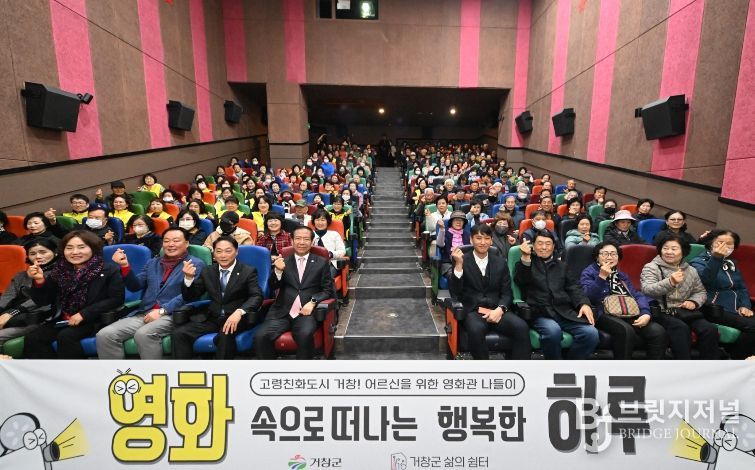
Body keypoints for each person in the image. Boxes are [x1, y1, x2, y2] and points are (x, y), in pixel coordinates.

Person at [96, 227, 206, 359]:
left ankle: (153, 372)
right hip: (145, 312)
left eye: (176, 240)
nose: (171, 244)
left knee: (144, 334)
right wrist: (125, 266)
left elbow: (190, 294)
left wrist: (162, 311)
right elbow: (135, 286)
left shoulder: (196, 264)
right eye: (166, 241)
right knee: (105, 335)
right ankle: (118, 372)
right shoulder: (153, 263)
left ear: (186, 243)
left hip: (173, 314)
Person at [24, 231, 124, 358]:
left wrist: (84, 314)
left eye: (81, 247)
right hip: (63, 319)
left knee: (66, 336)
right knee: (33, 338)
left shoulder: (108, 269)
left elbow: (116, 299)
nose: (75, 252)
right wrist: (39, 281)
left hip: (93, 319)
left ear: (93, 248)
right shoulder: (59, 270)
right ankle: (50, 370)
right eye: (69, 248)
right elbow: (43, 301)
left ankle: (76, 371)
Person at [448, 224, 531, 360]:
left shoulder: (500, 262)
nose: (483, 242)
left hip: (497, 309)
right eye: (478, 238)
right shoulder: (461, 260)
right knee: (476, 330)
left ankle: (518, 368)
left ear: (491, 241)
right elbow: (455, 291)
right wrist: (458, 265)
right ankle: (485, 369)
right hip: (474, 311)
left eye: (487, 238)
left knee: (521, 327)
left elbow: (507, 292)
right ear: (471, 240)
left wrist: (500, 309)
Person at [173, 236, 264, 359]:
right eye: (219, 251)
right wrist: (188, 279)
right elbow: (191, 296)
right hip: (212, 317)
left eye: (228, 251)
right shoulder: (208, 271)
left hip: (236, 318)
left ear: (236, 252)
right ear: (214, 254)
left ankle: (223, 370)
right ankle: (184, 369)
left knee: (225, 334)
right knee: (179, 333)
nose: (223, 255)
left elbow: (256, 296)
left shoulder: (247, 271)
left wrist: (239, 312)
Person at [253, 226, 336, 359]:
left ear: (312, 242)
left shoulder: (321, 262)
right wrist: (278, 271)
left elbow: (327, 290)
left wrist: (313, 302)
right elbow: (273, 286)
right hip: (281, 312)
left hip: (306, 312)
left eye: (306, 239)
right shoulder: (283, 261)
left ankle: (302, 370)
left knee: (304, 335)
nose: (301, 242)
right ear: (291, 240)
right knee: (260, 337)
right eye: (298, 238)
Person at [514, 231, 599, 359]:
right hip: (540, 312)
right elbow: (521, 281)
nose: (544, 247)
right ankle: (554, 366)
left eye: (548, 244)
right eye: (540, 243)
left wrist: (584, 303)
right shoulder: (526, 264)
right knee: (553, 331)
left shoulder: (562, 266)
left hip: (564, 311)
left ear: (553, 246)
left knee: (591, 333)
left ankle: (569, 366)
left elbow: (574, 288)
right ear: (533, 246)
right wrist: (526, 258)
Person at [580, 241, 667, 359]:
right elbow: (588, 296)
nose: (609, 257)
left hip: (628, 311)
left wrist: (645, 313)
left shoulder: (621, 275)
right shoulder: (589, 272)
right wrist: (601, 277)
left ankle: (653, 368)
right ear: (597, 257)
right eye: (605, 254)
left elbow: (637, 295)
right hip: (604, 313)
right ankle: (623, 368)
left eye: (613, 254)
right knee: (626, 330)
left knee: (658, 331)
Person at [640, 233, 719, 359]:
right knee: (680, 328)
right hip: (662, 311)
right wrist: (670, 282)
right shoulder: (651, 267)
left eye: (674, 249)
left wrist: (693, 302)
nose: (669, 252)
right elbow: (647, 290)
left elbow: (700, 292)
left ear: (683, 251)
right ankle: (683, 365)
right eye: (665, 248)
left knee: (709, 329)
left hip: (685, 311)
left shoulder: (691, 270)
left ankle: (708, 366)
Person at [691, 230, 754, 359]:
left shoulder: (731, 263)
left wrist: (745, 306)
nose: (725, 246)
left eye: (729, 244)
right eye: (720, 242)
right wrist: (716, 258)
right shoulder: (698, 261)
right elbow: (705, 280)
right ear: (711, 243)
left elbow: (741, 287)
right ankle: (736, 361)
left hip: (734, 308)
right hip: (713, 308)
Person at [0, 239, 58, 347]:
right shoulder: (21, 275)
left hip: (38, 317)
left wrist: (11, 313)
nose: (38, 256)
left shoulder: (60, 273)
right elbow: (8, 295)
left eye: (43, 252)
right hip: (16, 316)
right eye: (33, 253)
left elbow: (40, 300)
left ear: (55, 252)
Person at [311, 209, 346, 278]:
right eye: (317, 220)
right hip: (312, 264)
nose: (320, 223)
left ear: (327, 221)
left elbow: (342, 251)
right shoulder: (309, 235)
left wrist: (331, 254)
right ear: (314, 221)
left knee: (324, 277)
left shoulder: (334, 234)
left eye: (323, 220)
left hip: (330, 264)